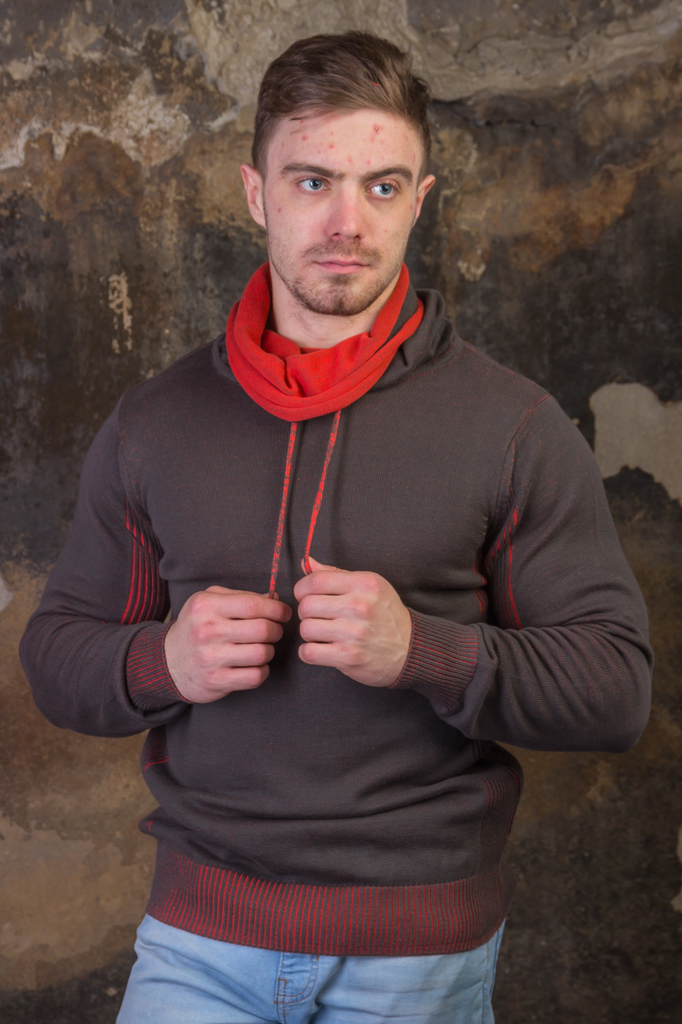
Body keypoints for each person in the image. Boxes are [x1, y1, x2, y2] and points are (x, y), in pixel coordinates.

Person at [20, 31, 652, 1024]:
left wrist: (422, 652)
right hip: (200, 940)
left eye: (382, 187)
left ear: (420, 199)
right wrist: (163, 662)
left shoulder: (515, 427)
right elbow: (56, 655)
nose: (347, 223)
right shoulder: (154, 422)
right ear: (255, 193)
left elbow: (615, 690)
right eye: (312, 181)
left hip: (415, 955)